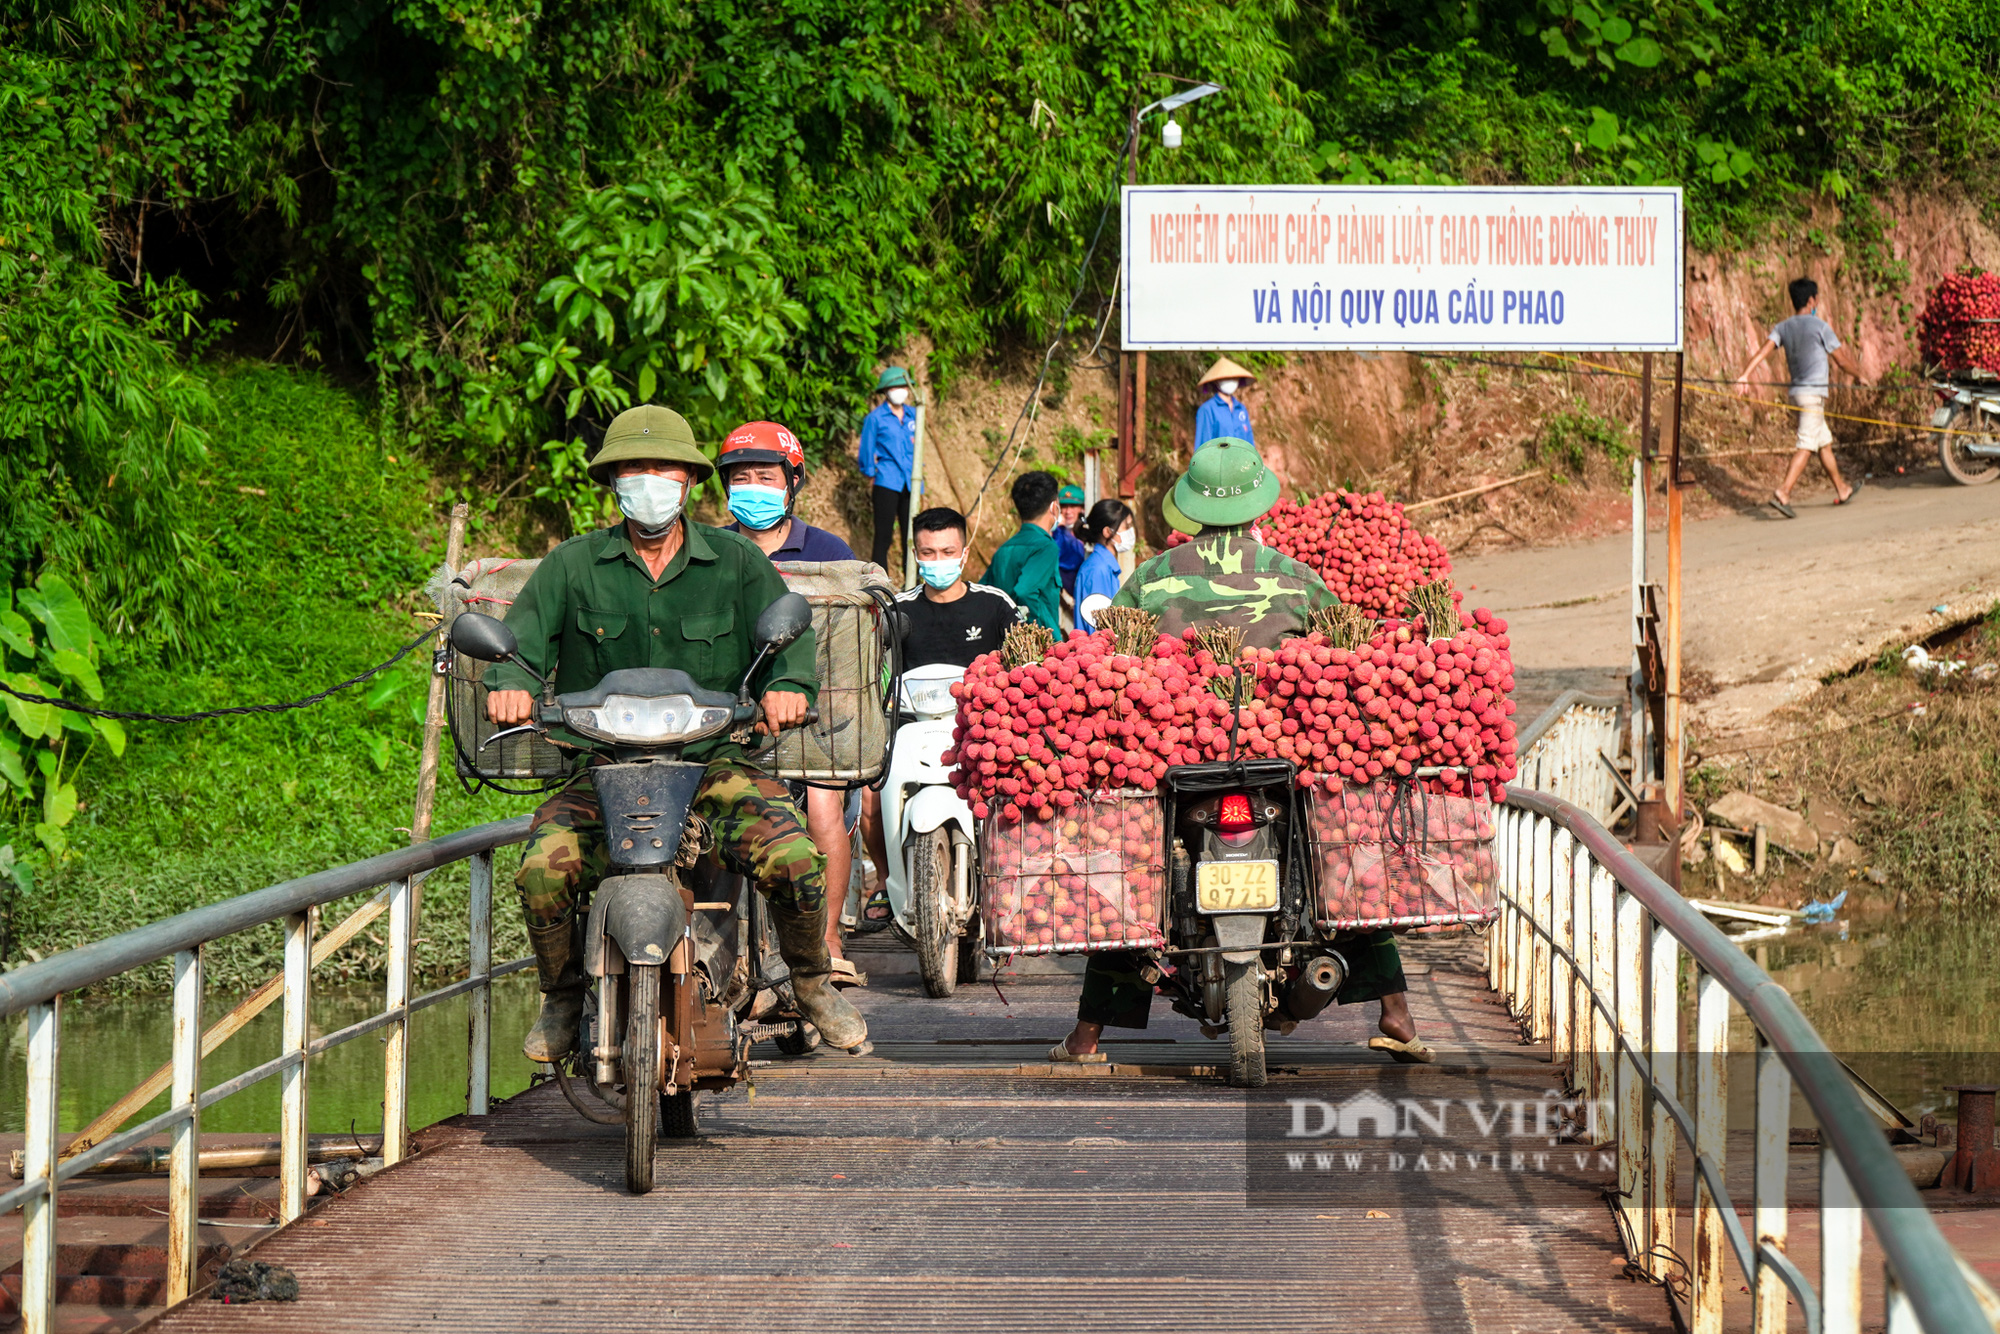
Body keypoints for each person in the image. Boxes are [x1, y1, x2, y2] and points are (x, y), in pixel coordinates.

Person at [484, 404, 869, 1061]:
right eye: (633, 468)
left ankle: (810, 983)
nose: (648, 480)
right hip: (603, 771)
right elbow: (515, 643)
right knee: (541, 870)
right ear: (612, 482)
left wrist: (786, 690)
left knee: (796, 860)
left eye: (662, 467)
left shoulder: (737, 562)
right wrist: (508, 686)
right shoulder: (572, 565)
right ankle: (563, 997)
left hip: (715, 767)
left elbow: (788, 646)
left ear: (689, 480)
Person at [1053, 437, 1431, 1066]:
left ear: (1191, 506)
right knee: (1342, 855)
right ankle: (1395, 1013)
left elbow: (1113, 660)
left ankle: (1087, 1035)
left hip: (1176, 763)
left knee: (1130, 867)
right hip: (1280, 762)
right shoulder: (1296, 578)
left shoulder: (1151, 578)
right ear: (1258, 502)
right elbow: (1346, 658)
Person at [717, 419, 865, 985]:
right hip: (736, 715)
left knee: (825, 804)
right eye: (741, 477)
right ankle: (720, 947)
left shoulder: (828, 552)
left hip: (816, 714)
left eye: (765, 476)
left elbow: (853, 640)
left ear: (791, 482)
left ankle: (827, 939)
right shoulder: (715, 549)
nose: (753, 486)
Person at [859, 506, 1023, 894]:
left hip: (982, 730)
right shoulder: (897, 610)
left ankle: (1010, 880)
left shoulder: (995, 606)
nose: (938, 562)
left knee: (1018, 792)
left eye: (948, 552)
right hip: (909, 727)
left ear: (965, 554)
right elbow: (871, 667)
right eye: (928, 553)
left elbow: (1023, 664)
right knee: (868, 800)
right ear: (915, 555)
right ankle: (887, 882)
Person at [1733, 277, 1871, 517]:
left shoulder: (1783, 327)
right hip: (1812, 396)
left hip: (1797, 395)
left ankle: (1842, 488)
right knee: (1806, 445)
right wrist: (1860, 375)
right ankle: (1784, 492)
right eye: (1816, 298)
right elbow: (1840, 359)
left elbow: (1763, 351)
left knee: (1823, 442)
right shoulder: (1820, 327)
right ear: (1811, 300)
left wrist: (1745, 374)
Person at [979, 470, 1063, 632]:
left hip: (1007, 642)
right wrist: (1039, 635)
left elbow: (983, 593)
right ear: (1054, 507)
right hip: (1038, 646)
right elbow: (1025, 591)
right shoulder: (1046, 547)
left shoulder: (1004, 549)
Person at [857, 367, 920, 570]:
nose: (899, 390)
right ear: (885, 391)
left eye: (903, 386)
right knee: (883, 535)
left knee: (911, 535)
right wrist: (870, 473)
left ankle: (912, 581)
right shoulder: (875, 418)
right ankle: (879, 585)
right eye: (894, 387)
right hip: (886, 481)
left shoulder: (915, 415)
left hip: (912, 482)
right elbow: (866, 450)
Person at [1073, 497, 1133, 631]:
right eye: (1127, 526)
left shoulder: (1103, 566)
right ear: (1107, 532)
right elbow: (1099, 630)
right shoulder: (1098, 570)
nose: (1131, 531)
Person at [1193, 356, 1257, 451]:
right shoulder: (1207, 410)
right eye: (1226, 378)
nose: (1230, 381)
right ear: (1216, 381)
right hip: (1219, 464)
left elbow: (1249, 443)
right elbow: (1203, 447)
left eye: (1233, 378)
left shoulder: (1241, 409)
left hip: (1241, 464)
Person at [1053, 483, 1088, 613]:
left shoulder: (1088, 533)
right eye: (1064, 506)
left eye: (1073, 506)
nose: (1068, 511)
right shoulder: (1057, 533)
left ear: (1082, 509)